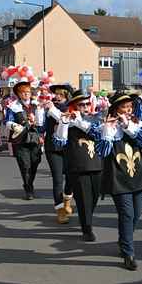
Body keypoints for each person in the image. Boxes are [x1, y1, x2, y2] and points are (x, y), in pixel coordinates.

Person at [96, 91, 142, 271]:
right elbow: (103, 152)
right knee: (127, 214)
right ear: (115, 109)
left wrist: (128, 124)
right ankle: (128, 253)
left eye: (130, 107)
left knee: (137, 213)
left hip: (137, 174)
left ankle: (124, 239)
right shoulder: (106, 127)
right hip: (118, 176)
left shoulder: (137, 123)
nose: (128, 110)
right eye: (124, 108)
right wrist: (107, 130)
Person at [53, 90, 103, 242]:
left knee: (93, 198)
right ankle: (87, 228)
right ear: (74, 106)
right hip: (77, 166)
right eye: (81, 105)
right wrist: (64, 122)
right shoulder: (66, 121)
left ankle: (87, 219)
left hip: (97, 164)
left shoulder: (95, 119)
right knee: (83, 199)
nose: (86, 107)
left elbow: (98, 134)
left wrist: (81, 121)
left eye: (87, 104)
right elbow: (59, 142)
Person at [5, 79, 45, 200]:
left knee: (34, 163)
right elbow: (7, 121)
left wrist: (42, 134)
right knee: (25, 165)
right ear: (18, 93)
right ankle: (28, 189)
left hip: (35, 139)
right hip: (21, 140)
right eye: (22, 92)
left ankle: (29, 183)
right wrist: (18, 126)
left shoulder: (37, 105)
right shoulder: (13, 107)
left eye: (27, 92)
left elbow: (43, 124)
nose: (26, 94)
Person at [43, 83, 75, 224]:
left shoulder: (72, 108)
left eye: (61, 94)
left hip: (69, 148)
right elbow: (43, 126)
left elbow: (64, 118)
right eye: (56, 94)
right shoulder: (49, 107)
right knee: (57, 179)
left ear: (67, 96)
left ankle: (67, 201)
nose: (57, 97)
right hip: (53, 148)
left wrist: (53, 110)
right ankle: (60, 210)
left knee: (71, 177)